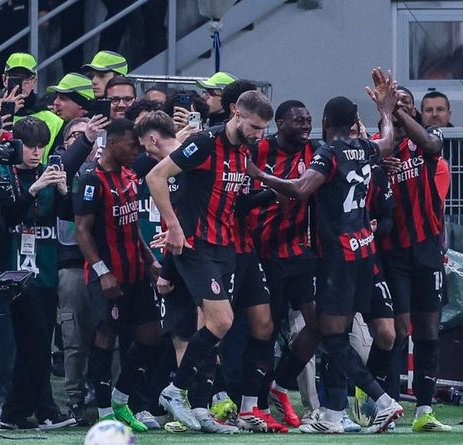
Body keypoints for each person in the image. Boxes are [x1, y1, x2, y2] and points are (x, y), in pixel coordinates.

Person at [247, 67, 403, 434]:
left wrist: (259, 174)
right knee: (336, 334)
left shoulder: (328, 153)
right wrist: (385, 111)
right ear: (353, 123)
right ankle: (333, 415)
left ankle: (382, 401)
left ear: (325, 122)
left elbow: (300, 189)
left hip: (338, 258)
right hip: (365, 253)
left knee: (333, 338)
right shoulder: (365, 148)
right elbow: (388, 141)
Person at [146, 90, 273, 431]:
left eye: (263, 129)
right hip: (196, 246)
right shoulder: (204, 143)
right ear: (235, 112)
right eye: (255, 126)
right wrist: (173, 226)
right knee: (222, 321)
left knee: (210, 331)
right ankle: (175, 390)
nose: (258, 134)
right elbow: (155, 177)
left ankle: (201, 409)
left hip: (225, 248)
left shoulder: (243, 150)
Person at [74, 118, 163, 433]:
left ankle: (121, 398)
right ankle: (102, 411)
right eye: (132, 144)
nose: (137, 150)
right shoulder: (91, 180)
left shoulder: (129, 176)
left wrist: (150, 260)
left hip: (136, 272)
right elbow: (82, 231)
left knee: (151, 336)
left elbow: (132, 225)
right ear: (112, 143)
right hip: (108, 275)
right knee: (106, 336)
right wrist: (102, 272)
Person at [0, 117, 76, 431]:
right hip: (13, 272)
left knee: (36, 345)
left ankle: (15, 413)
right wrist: (33, 189)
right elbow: (7, 218)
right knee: (35, 343)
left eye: (41, 146)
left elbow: (69, 219)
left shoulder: (50, 172)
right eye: (30, 146)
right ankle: (43, 409)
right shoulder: (2, 174)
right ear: (17, 145)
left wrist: (64, 192)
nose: (36, 153)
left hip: (46, 270)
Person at [377, 86, 451, 433]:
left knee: (428, 330)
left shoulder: (426, 141)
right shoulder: (379, 146)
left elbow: (433, 146)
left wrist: (396, 109)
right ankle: (389, 405)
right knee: (398, 330)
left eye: (406, 103)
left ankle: (425, 408)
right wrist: (378, 166)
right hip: (392, 251)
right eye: (396, 103)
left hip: (427, 247)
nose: (400, 108)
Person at [245, 100, 320, 427]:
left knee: (319, 324)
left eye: (308, 120)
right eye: (298, 121)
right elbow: (238, 200)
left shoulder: (314, 152)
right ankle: (257, 404)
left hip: (299, 252)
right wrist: (269, 196)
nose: (305, 126)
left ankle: (281, 385)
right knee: (267, 330)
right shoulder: (257, 151)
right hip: (262, 253)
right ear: (280, 123)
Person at [54, 115, 109, 426]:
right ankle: (74, 400)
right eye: (76, 137)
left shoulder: (107, 172)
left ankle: (109, 398)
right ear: (66, 144)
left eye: (90, 135)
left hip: (107, 267)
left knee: (110, 335)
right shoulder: (59, 171)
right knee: (74, 338)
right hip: (73, 265)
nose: (85, 140)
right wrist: (84, 142)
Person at [0, 53, 65, 159]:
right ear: (4, 80)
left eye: (26, 78)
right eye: (15, 77)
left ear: (35, 82)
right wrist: (6, 112)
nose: (21, 83)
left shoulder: (54, 121)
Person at [49, 73, 96, 146]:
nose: (55, 102)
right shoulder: (57, 126)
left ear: (80, 103)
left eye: (62, 98)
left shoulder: (96, 130)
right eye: (56, 97)